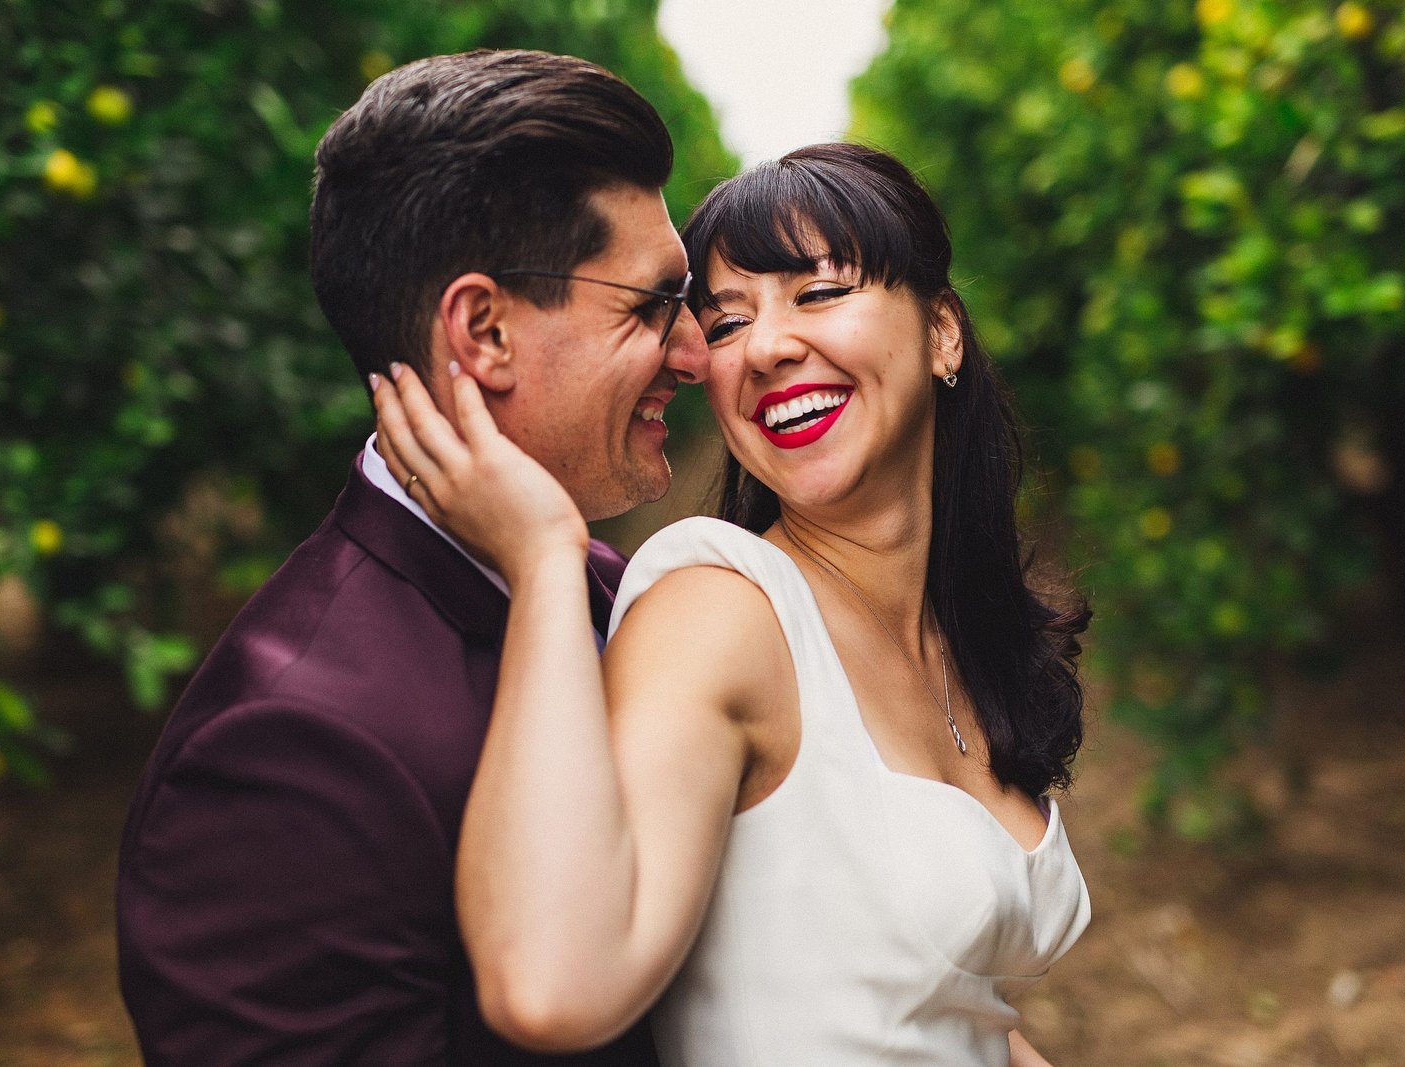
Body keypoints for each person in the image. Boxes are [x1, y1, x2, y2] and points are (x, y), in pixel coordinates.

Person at [372, 142, 1093, 1067]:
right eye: (723, 322)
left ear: (942, 332)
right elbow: (548, 986)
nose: (766, 346)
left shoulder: (958, 640)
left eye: (819, 292)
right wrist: (545, 559)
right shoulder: (723, 608)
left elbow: (954, 1016)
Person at [116, 49, 707, 1065]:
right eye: (651, 305)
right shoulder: (284, 751)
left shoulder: (621, 597)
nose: (696, 353)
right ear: (483, 330)